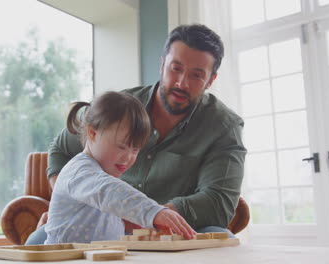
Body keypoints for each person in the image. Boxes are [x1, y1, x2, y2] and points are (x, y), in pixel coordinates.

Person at [26, 23, 246, 245]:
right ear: (162, 65)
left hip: (174, 230)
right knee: (36, 243)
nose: (182, 83)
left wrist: (154, 216)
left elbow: (219, 202)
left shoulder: (225, 127)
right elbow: (61, 150)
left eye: (196, 75)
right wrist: (69, 203)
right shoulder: (118, 108)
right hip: (98, 225)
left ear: (211, 80)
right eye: (175, 68)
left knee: (223, 241)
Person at [44, 91, 196, 244]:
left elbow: (110, 210)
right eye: (121, 146)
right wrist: (152, 211)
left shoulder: (104, 173)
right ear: (92, 133)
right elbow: (108, 191)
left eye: (135, 149)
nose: (128, 157)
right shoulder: (79, 171)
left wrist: (141, 223)